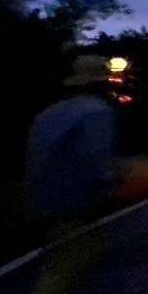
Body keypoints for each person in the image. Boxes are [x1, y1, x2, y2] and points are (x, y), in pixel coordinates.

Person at [26, 54, 117, 229]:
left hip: (38, 207)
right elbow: (96, 164)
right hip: (75, 210)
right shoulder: (97, 111)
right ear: (100, 83)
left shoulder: (48, 113)